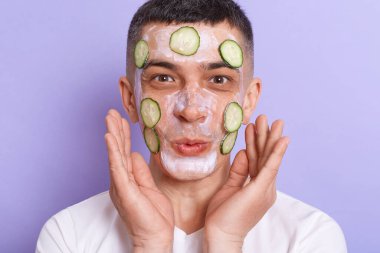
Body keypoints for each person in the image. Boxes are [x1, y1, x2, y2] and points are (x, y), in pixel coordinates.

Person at [36, 0, 347, 252]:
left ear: (249, 101)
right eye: (163, 78)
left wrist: (226, 240)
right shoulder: (69, 235)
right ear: (131, 100)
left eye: (219, 80)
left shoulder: (308, 236)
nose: (191, 110)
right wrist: (149, 245)